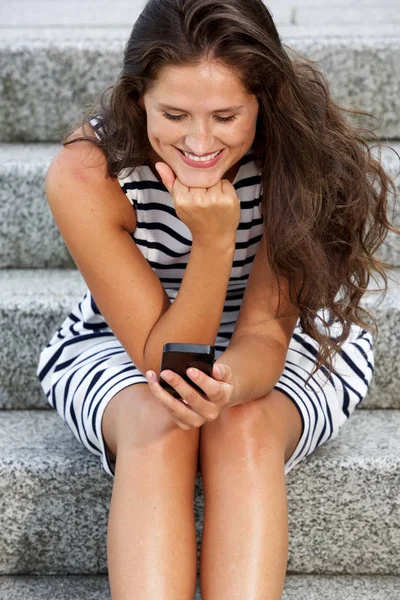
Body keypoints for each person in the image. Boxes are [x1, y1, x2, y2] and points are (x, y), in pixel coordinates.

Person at [36, 0, 399, 598]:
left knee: (243, 423)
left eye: (226, 116)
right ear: (137, 99)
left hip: (288, 337)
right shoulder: (87, 173)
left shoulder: (300, 159)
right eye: (174, 113)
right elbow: (159, 357)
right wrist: (213, 241)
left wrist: (226, 385)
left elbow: (263, 332)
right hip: (124, 337)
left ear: (264, 100)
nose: (199, 142)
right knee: (160, 421)